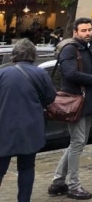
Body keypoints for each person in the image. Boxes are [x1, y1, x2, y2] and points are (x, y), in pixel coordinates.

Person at [48, 18, 92, 200]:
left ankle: (58, 182)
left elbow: (86, 72)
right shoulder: (70, 49)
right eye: (84, 30)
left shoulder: (87, 48)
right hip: (74, 101)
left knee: (77, 143)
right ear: (75, 32)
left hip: (86, 101)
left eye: (89, 30)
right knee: (78, 142)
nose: (88, 33)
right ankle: (73, 185)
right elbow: (69, 74)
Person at [0, 39, 56, 202]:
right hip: (31, 128)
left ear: (14, 55)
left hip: (4, 127)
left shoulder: (3, 73)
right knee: (26, 168)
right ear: (33, 55)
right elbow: (51, 97)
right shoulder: (40, 73)